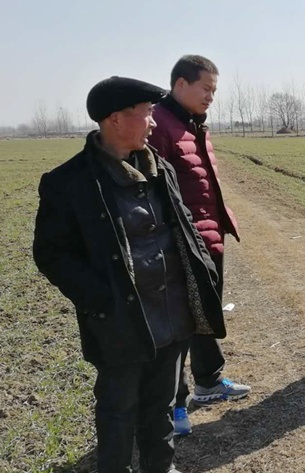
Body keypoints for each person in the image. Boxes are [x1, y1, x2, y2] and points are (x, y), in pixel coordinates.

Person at [33, 76, 226, 473]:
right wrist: (100, 300)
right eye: (147, 113)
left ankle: (161, 467)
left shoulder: (161, 168)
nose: (154, 122)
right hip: (121, 322)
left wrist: (202, 272)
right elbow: (51, 254)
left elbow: (184, 224)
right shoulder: (68, 183)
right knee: (118, 410)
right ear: (116, 119)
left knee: (161, 406)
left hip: (172, 316)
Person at [148, 55, 250, 435]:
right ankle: (175, 405)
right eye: (205, 88)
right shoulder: (160, 125)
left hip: (208, 238)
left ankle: (209, 382)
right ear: (180, 84)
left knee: (204, 313)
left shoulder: (192, 124)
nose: (210, 96)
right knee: (179, 326)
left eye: (214, 90)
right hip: (182, 243)